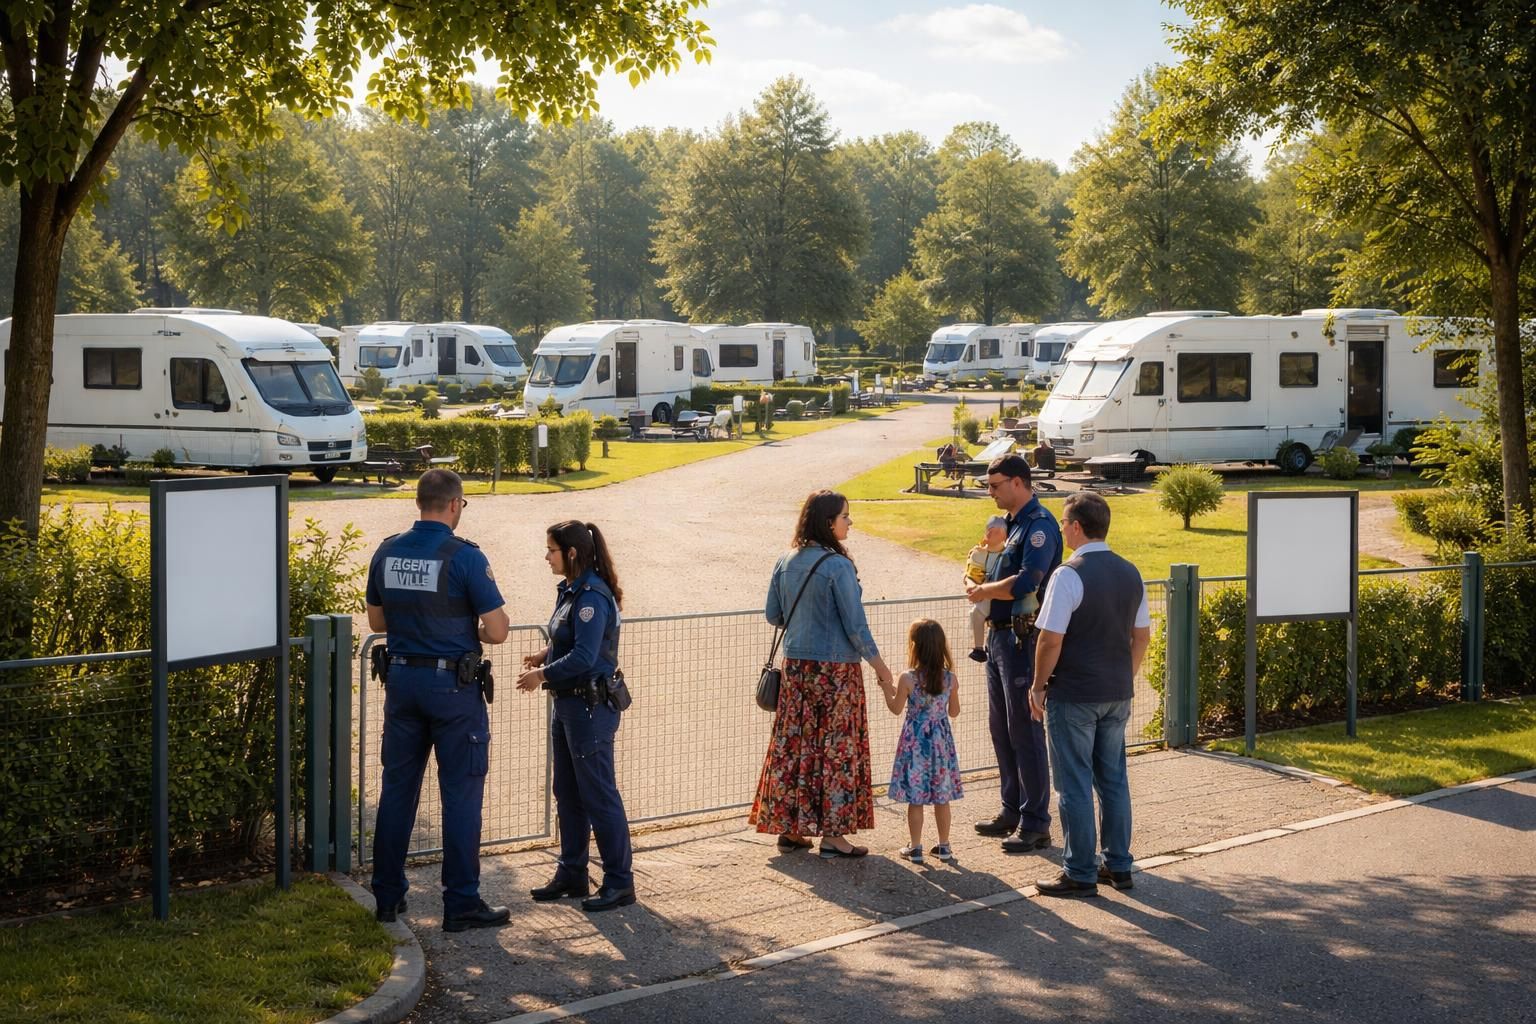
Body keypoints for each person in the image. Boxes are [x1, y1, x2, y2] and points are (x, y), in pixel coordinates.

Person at [366, 469, 511, 933]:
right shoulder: (464, 557)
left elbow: (376, 622)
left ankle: (387, 898)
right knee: (461, 797)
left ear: (418, 503)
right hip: (453, 692)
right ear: (454, 505)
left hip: (403, 684)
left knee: (397, 793)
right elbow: (499, 631)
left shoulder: (387, 550)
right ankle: (462, 903)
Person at [750, 489, 895, 859]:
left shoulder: (786, 560)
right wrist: (880, 668)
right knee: (836, 751)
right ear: (829, 523)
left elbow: (774, 615)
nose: (850, 523)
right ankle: (833, 834)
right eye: (846, 517)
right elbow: (855, 625)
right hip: (835, 673)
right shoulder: (837, 566)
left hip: (797, 669)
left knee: (798, 749)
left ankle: (793, 829)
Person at [1028, 492, 1151, 898]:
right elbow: (1141, 636)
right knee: (1113, 779)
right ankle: (1119, 864)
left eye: (1064, 522)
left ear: (1077, 526)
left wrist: (1038, 685)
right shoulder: (1131, 573)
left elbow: (1049, 641)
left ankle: (1080, 869)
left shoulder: (1068, 574)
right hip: (1117, 691)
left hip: (1075, 693)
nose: (1061, 528)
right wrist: (1124, 675)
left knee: (1074, 782)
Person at [515, 521, 635, 912]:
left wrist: (542, 674)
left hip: (589, 707)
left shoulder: (591, 597)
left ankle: (619, 882)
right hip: (568, 705)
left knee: (599, 795)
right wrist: (545, 655)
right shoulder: (570, 591)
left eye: (551, 550)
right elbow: (569, 641)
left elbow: (585, 656)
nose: (545, 556)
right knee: (566, 791)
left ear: (570, 553)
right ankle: (573, 872)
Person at [965, 454, 1062, 853]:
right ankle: (1012, 809)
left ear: (1019, 483)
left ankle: (1036, 822)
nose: (991, 492)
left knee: (1024, 729)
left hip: (1023, 640)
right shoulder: (1014, 526)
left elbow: (1027, 582)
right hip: (1000, 637)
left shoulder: (1038, 526)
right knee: (1002, 728)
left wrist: (986, 591)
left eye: (995, 485)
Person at [882, 619, 964, 865]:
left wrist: (887, 688)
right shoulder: (950, 679)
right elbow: (954, 712)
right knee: (942, 797)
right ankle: (944, 846)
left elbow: (896, 709)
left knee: (916, 798)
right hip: (941, 743)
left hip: (915, 743)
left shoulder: (908, 678)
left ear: (915, 646)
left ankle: (915, 847)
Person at [964, 515, 1022, 664]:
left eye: (995, 532)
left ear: (1004, 534)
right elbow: (971, 576)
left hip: (1002, 596)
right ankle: (979, 648)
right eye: (988, 530)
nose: (990, 535)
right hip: (984, 594)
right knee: (976, 613)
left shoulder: (1010, 554)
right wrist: (973, 588)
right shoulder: (978, 553)